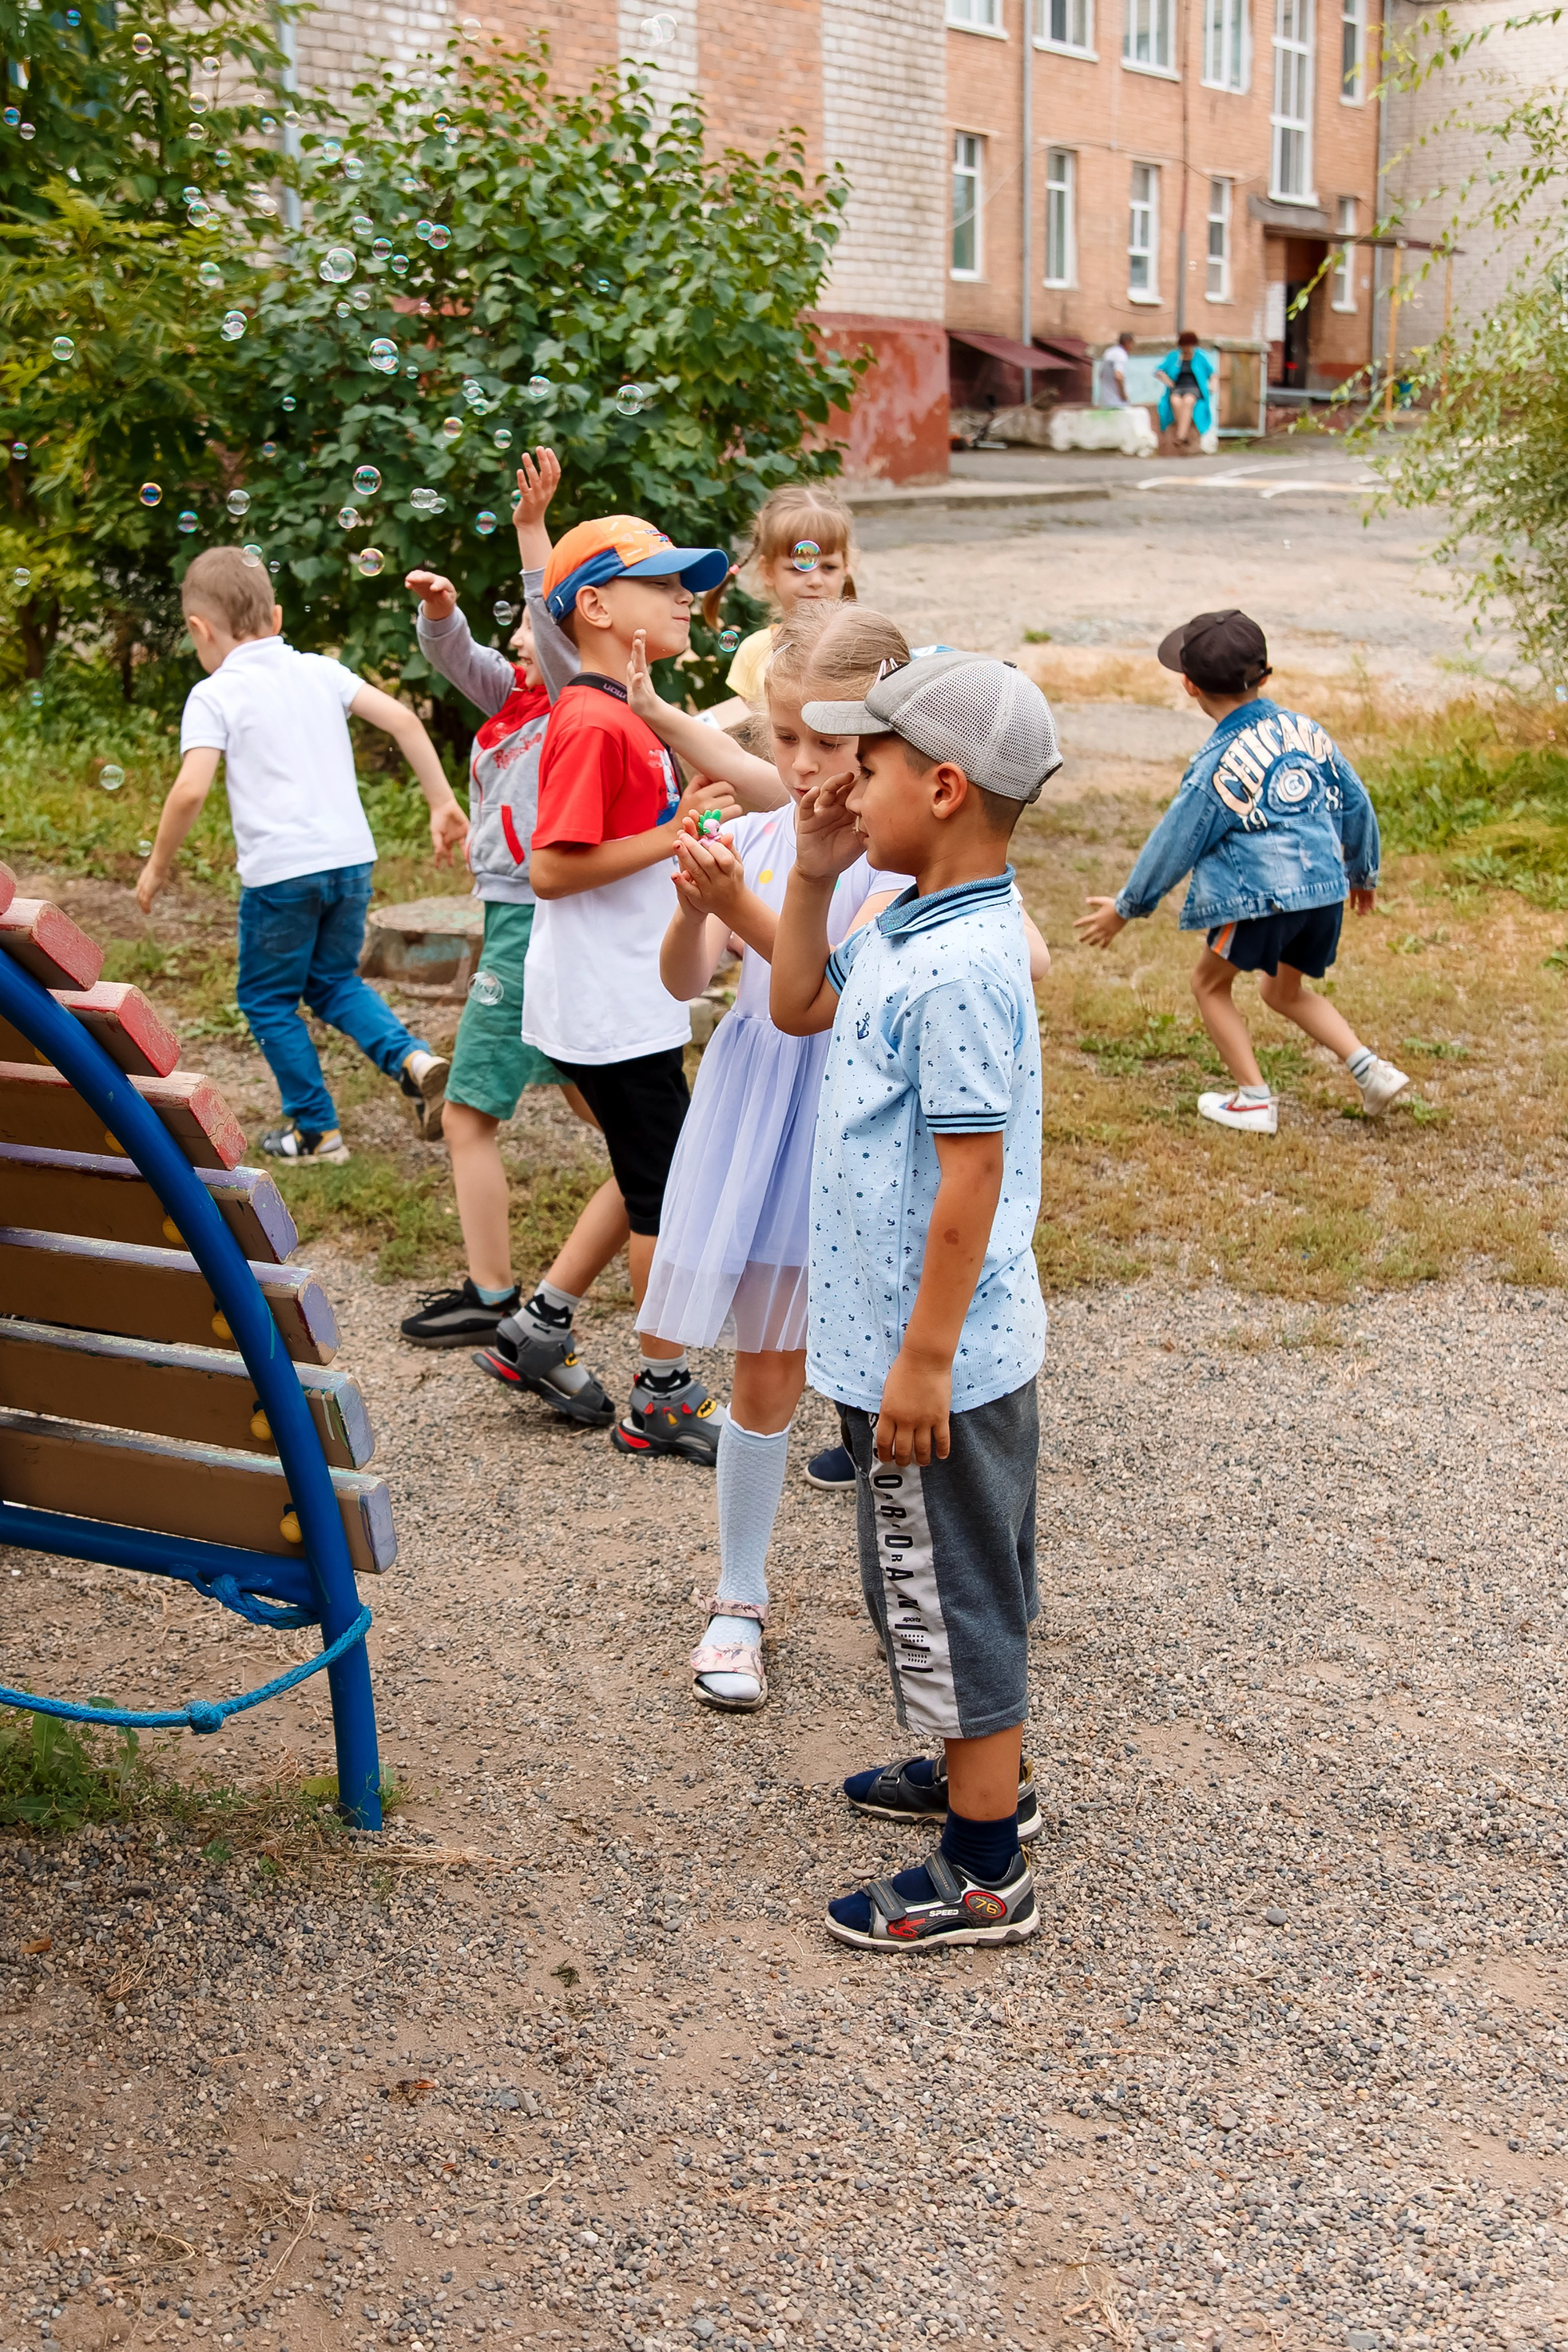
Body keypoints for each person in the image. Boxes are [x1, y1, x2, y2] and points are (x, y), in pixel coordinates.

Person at [771, 651, 1060, 1953]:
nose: (841, 783)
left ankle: (985, 1866)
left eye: (867, 768)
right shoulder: (906, 923)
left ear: (941, 787)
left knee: (946, 1593)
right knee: (935, 1583)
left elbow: (972, 1172)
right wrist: (819, 870)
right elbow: (794, 1007)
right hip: (905, 1338)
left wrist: (921, 1362)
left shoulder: (959, 968)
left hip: (926, 1352)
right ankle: (970, 1772)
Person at [624, 604, 914, 1708]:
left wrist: (738, 898)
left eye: (823, 744)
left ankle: (937, 1589)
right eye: (781, 739)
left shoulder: (896, 866)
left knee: (892, 1376)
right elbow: (681, 981)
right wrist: (692, 901)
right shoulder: (751, 837)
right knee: (766, 1367)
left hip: (853, 1122)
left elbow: (831, 993)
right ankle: (738, 1597)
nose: (796, 767)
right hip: (759, 1120)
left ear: (883, 744)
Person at [472, 512, 764, 1462]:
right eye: (664, 584)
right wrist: (677, 832)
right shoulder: (593, 720)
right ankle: (663, 1396)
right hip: (608, 1006)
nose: (687, 596)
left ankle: (539, 1328)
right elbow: (554, 869)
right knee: (667, 1196)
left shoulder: (620, 710)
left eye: (688, 583)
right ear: (595, 607)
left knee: (648, 1164)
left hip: (623, 997)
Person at [396, 448, 633, 1349]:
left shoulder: (575, 701)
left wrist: (534, 531)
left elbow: (552, 617)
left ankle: (491, 1291)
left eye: (537, 631)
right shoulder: (511, 706)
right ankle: (670, 1178)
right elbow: (456, 656)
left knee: (466, 1113)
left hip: (528, 921)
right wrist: (441, 613)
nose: (520, 642)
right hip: (522, 914)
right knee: (594, 1095)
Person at [137, 545, 466, 1163]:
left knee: (266, 998)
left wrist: (157, 866)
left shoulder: (215, 693)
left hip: (282, 876)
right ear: (277, 617)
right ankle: (414, 1061)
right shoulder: (321, 671)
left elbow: (191, 788)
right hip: (349, 862)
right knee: (333, 980)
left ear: (198, 630)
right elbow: (403, 722)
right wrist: (440, 801)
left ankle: (317, 1131)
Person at [1074, 608, 1408, 1133]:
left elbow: (1177, 840)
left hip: (1263, 898)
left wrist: (1127, 908)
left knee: (1209, 985)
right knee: (1283, 991)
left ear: (1188, 685)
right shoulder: (1308, 732)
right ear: (1267, 676)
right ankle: (1372, 1070)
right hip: (1323, 893)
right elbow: (1356, 802)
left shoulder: (1219, 762)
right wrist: (1362, 873)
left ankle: (1253, 1099)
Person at [704, 482, 857, 719]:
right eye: (798, 568)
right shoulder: (754, 652)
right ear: (768, 572)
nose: (816, 581)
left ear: (846, 568)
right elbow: (746, 725)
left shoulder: (861, 646)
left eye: (829, 567)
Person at [1155, 329, 1214, 454]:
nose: (1187, 348)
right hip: (1178, 387)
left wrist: (1212, 386)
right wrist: (1167, 381)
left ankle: (1180, 437)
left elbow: (1213, 374)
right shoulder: (1174, 356)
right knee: (1175, 401)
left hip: (1194, 387)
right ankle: (1184, 435)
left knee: (1188, 401)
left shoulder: (1200, 356)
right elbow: (1159, 371)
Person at [1096, 333, 1129, 407]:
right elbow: (1118, 376)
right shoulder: (1121, 354)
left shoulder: (1109, 352)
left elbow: (1100, 374)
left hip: (1105, 402)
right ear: (1128, 343)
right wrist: (1123, 395)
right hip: (1117, 403)